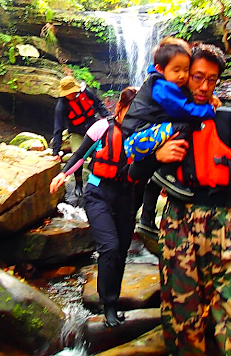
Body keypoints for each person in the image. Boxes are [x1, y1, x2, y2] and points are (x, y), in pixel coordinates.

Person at [131, 43, 231, 355]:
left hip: (224, 226)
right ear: (184, 76)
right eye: (197, 77)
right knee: (182, 321)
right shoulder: (165, 123)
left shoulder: (227, 119)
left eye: (211, 80)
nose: (203, 86)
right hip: (178, 226)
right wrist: (157, 154)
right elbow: (134, 170)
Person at [50, 87, 138, 327]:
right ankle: (107, 303)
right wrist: (63, 175)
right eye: (132, 109)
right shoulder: (102, 128)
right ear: (120, 108)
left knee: (121, 251)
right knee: (109, 248)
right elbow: (80, 154)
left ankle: (114, 299)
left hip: (126, 196)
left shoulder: (144, 133)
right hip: (98, 193)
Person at [121, 39, 216, 234]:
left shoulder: (161, 81)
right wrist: (208, 109)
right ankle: (166, 176)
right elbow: (183, 110)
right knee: (183, 126)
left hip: (141, 136)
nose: (182, 75)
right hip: (137, 138)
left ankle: (146, 218)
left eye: (186, 70)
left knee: (159, 171)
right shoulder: (161, 87)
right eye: (177, 70)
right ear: (161, 68)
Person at [51, 76, 109, 203]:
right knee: (78, 155)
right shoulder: (61, 106)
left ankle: (100, 180)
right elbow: (58, 129)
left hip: (93, 127)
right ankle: (78, 183)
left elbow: (99, 105)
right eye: (69, 92)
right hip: (77, 132)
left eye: (73, 91)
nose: (72, 94)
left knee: (101, 153)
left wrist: (108, 119)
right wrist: (55, 151)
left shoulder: (85, 93)